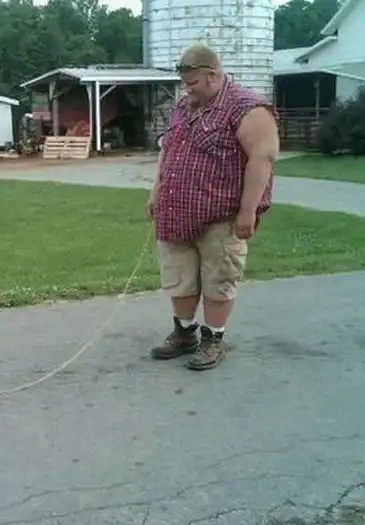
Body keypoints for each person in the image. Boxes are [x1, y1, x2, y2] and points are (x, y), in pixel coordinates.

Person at [147, 42, 280, 371]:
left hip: (221, 218)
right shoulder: (183, 107)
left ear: (212, 75)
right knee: (179, 277)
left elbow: (263, 158)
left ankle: (213, 339)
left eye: (192, 83)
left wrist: (248, 210)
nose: (187, 90)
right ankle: (184, 333)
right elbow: (168, 150)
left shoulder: (247, 108)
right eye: (184, 83)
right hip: (176, 213)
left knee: (219, 280)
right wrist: (156, 191)